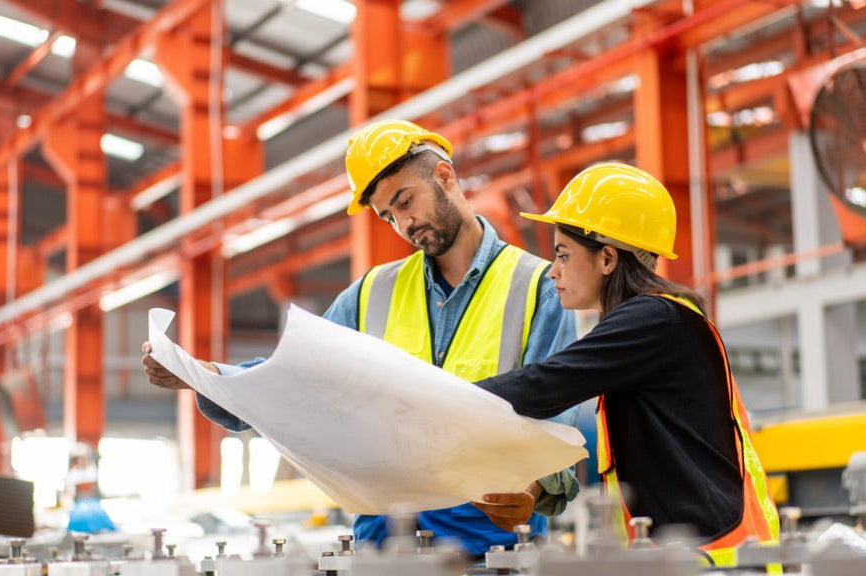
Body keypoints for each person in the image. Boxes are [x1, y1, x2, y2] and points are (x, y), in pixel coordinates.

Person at [142, 119, 580, 556]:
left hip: (490, 550)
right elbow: (294, 380)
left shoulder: (537, 286)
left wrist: (535, 488)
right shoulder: (372, 293)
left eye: (406, 201)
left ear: (445, 176)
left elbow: (556, 429)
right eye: (388, 215)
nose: (404, 224)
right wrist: (204, 375)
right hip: (382, 550)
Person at [473, 163, 780, 566]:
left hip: (709, 561)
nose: (553, 271)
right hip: (700, 557)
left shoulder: (654, 321)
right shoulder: (657, 325)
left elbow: (543, 385)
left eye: (563, 255)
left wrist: (435, 399)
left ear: (607, 259)